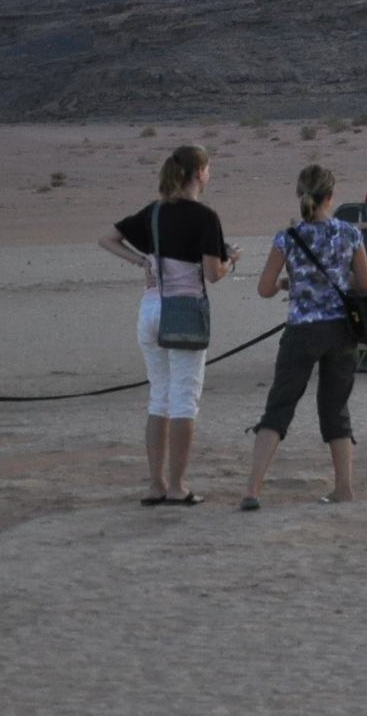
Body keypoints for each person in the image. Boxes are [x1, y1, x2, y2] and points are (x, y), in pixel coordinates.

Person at [95, 144, 240, 506]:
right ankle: (177, 486)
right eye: (208, 169)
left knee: (159, 396)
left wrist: (141, 261)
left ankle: (156, 484)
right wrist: (232, 260)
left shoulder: (155, 212)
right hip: (184, 312)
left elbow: (107, 238)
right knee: (184, 400)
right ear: (199, 173)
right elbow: (213, 273)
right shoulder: (205, 217)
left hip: (151, 310)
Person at [239, 164, 367, 510]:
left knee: (278, 407)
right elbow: (365, 283)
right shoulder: (350, 233)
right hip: (341, 330)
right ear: (331, 195)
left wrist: (290, 283)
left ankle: (253, 489)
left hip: (301, 330)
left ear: (300, 194)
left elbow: (264, 288)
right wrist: (338, 281)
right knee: (335, 409)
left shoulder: (288, 238)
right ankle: (343, 488)